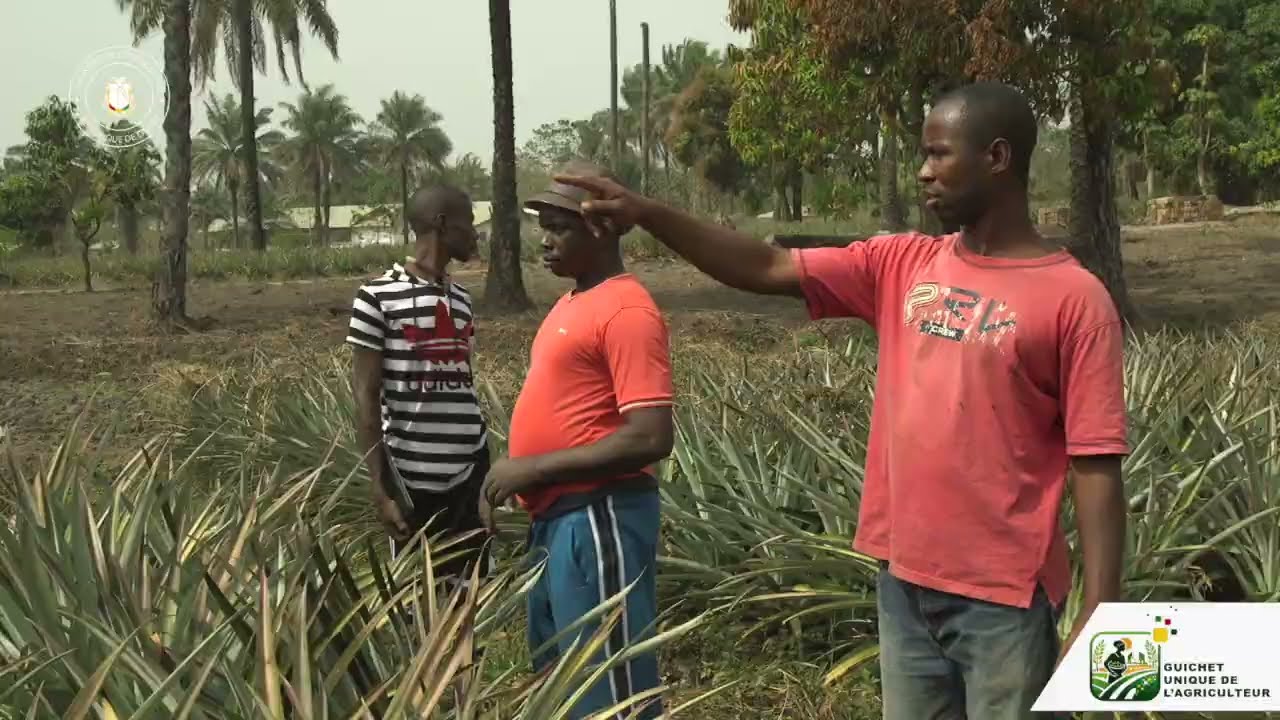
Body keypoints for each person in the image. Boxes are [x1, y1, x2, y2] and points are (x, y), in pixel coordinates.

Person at [554, 82, 1129, 720]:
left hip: (1004, 599)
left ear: (996, 157)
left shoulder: (1075, 298)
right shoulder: (902, 264)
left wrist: (1101, 614)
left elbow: (1096, 462)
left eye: (939, 154)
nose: (923, 171)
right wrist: (647, 213)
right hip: (903, 581)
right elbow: (766, 268)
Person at [479, 159, 674, 720]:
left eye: (560, 227)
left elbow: (650, 436)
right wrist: (510, 477)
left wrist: (532, 471)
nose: (545, 240)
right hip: (559, 522)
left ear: (602, 228)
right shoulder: (573, 303)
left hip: (598, 518)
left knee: (611, 690)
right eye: (544, 224)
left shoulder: (627, 311)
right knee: (562, 681)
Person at [345, 184, 491, 585]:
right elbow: (366, 396)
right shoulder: (376, 298)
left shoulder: (461, 299)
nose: (475, 233)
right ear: (442, 224)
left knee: (470, 599)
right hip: (411, 476)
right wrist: (379, 486)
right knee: (418, 604)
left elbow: (462, 386)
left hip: (469, 472)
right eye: (469, 223)